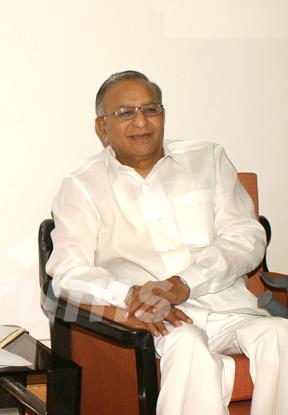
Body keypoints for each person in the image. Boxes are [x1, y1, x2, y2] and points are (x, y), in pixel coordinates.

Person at [45, 70, 288, 415]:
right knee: (188, 345)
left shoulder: (209, 158)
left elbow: (247, 238)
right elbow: (67, 272)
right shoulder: (82, 186)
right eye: (125, 113)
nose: (142, 122)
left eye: (151, 109)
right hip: (158, 319)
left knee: (281, 334)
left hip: (227, 307)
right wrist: (127, 296)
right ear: (102, 127)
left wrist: (185, 283)